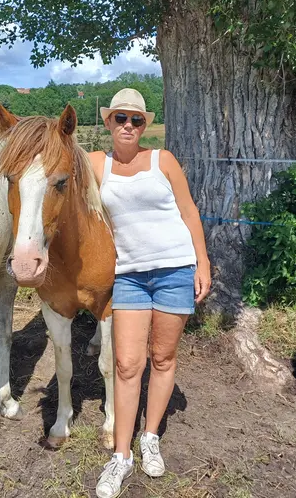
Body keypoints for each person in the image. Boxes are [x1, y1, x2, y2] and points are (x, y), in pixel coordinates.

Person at [89, 88, 211, 498]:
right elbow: (59, 178)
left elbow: (189, 211)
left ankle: (150, 436)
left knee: (162, 357)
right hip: (129, 276)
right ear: (107, 122)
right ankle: (120, 456)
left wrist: (203, 263)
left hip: (176, 268)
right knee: (126, 364)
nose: (128, 126)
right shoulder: (95, 165)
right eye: (120, 118)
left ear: (146, 125)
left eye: (136, 120)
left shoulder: (163, 160)